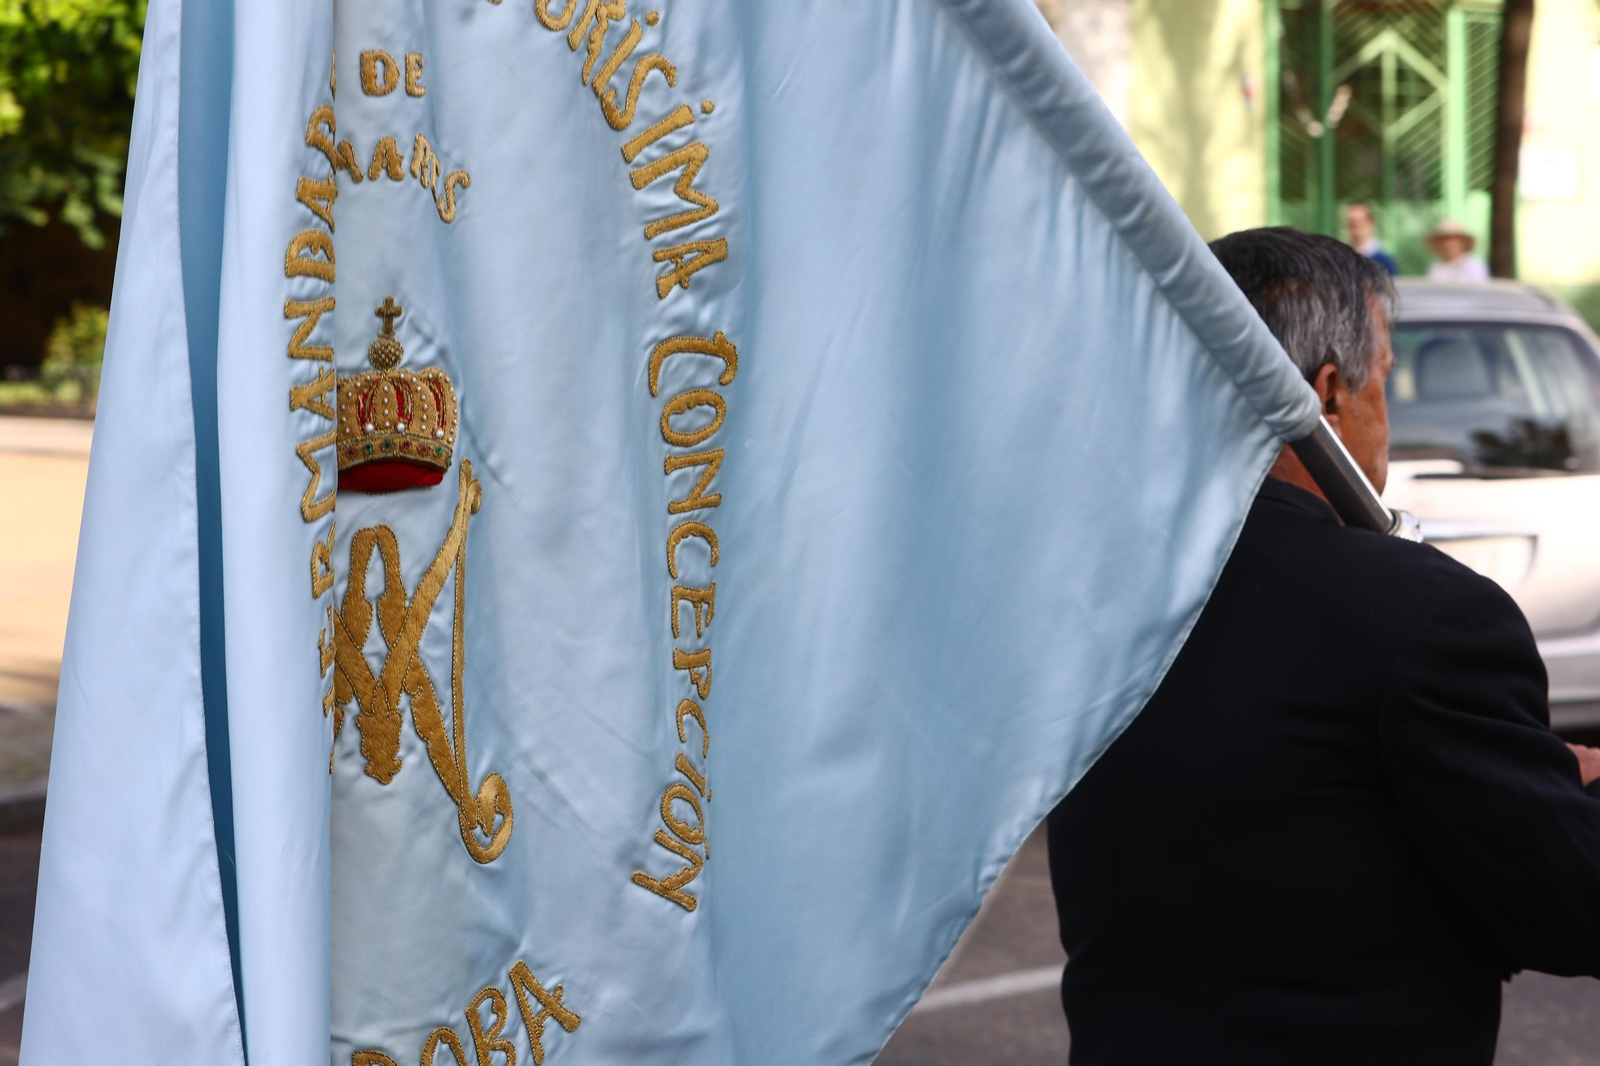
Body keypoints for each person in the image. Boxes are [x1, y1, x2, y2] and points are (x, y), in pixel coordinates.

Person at [1047, 227, 1600, 1065]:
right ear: (1330, 393)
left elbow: (1288, 810)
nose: (1388, 413)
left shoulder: (1090, 593)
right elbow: (1572, 906)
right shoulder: (1426, 613)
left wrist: (1524, 775)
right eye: (1385, 381)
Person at [1425, 217, 1490, 282]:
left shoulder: (1475, 266)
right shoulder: (1435, 268)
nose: (1448, 244)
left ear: (1462, 242)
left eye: (1453, 240)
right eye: (1444, 240)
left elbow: (1480, 290)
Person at [1345, 201, 1398, 276]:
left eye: (1360, 223)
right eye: (1352, 223)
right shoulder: (1343, 259)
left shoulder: (1385, 261)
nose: (1356, 229)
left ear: (1371, 223)